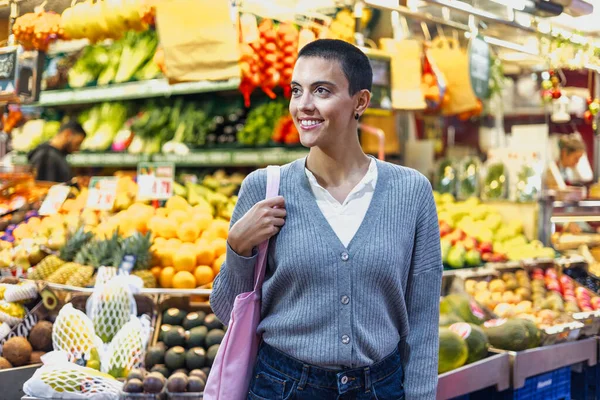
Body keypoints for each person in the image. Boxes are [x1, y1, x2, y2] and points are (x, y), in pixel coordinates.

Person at [210, 39, 442, 400]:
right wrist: (238, 250)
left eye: (322, 91)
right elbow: (229, 312)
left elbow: (424, 322)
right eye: (297, 91)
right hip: (282, 386)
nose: (304, 105)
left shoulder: (411, 193)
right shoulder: (265, 188)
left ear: (360, 102)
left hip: (380, 388)